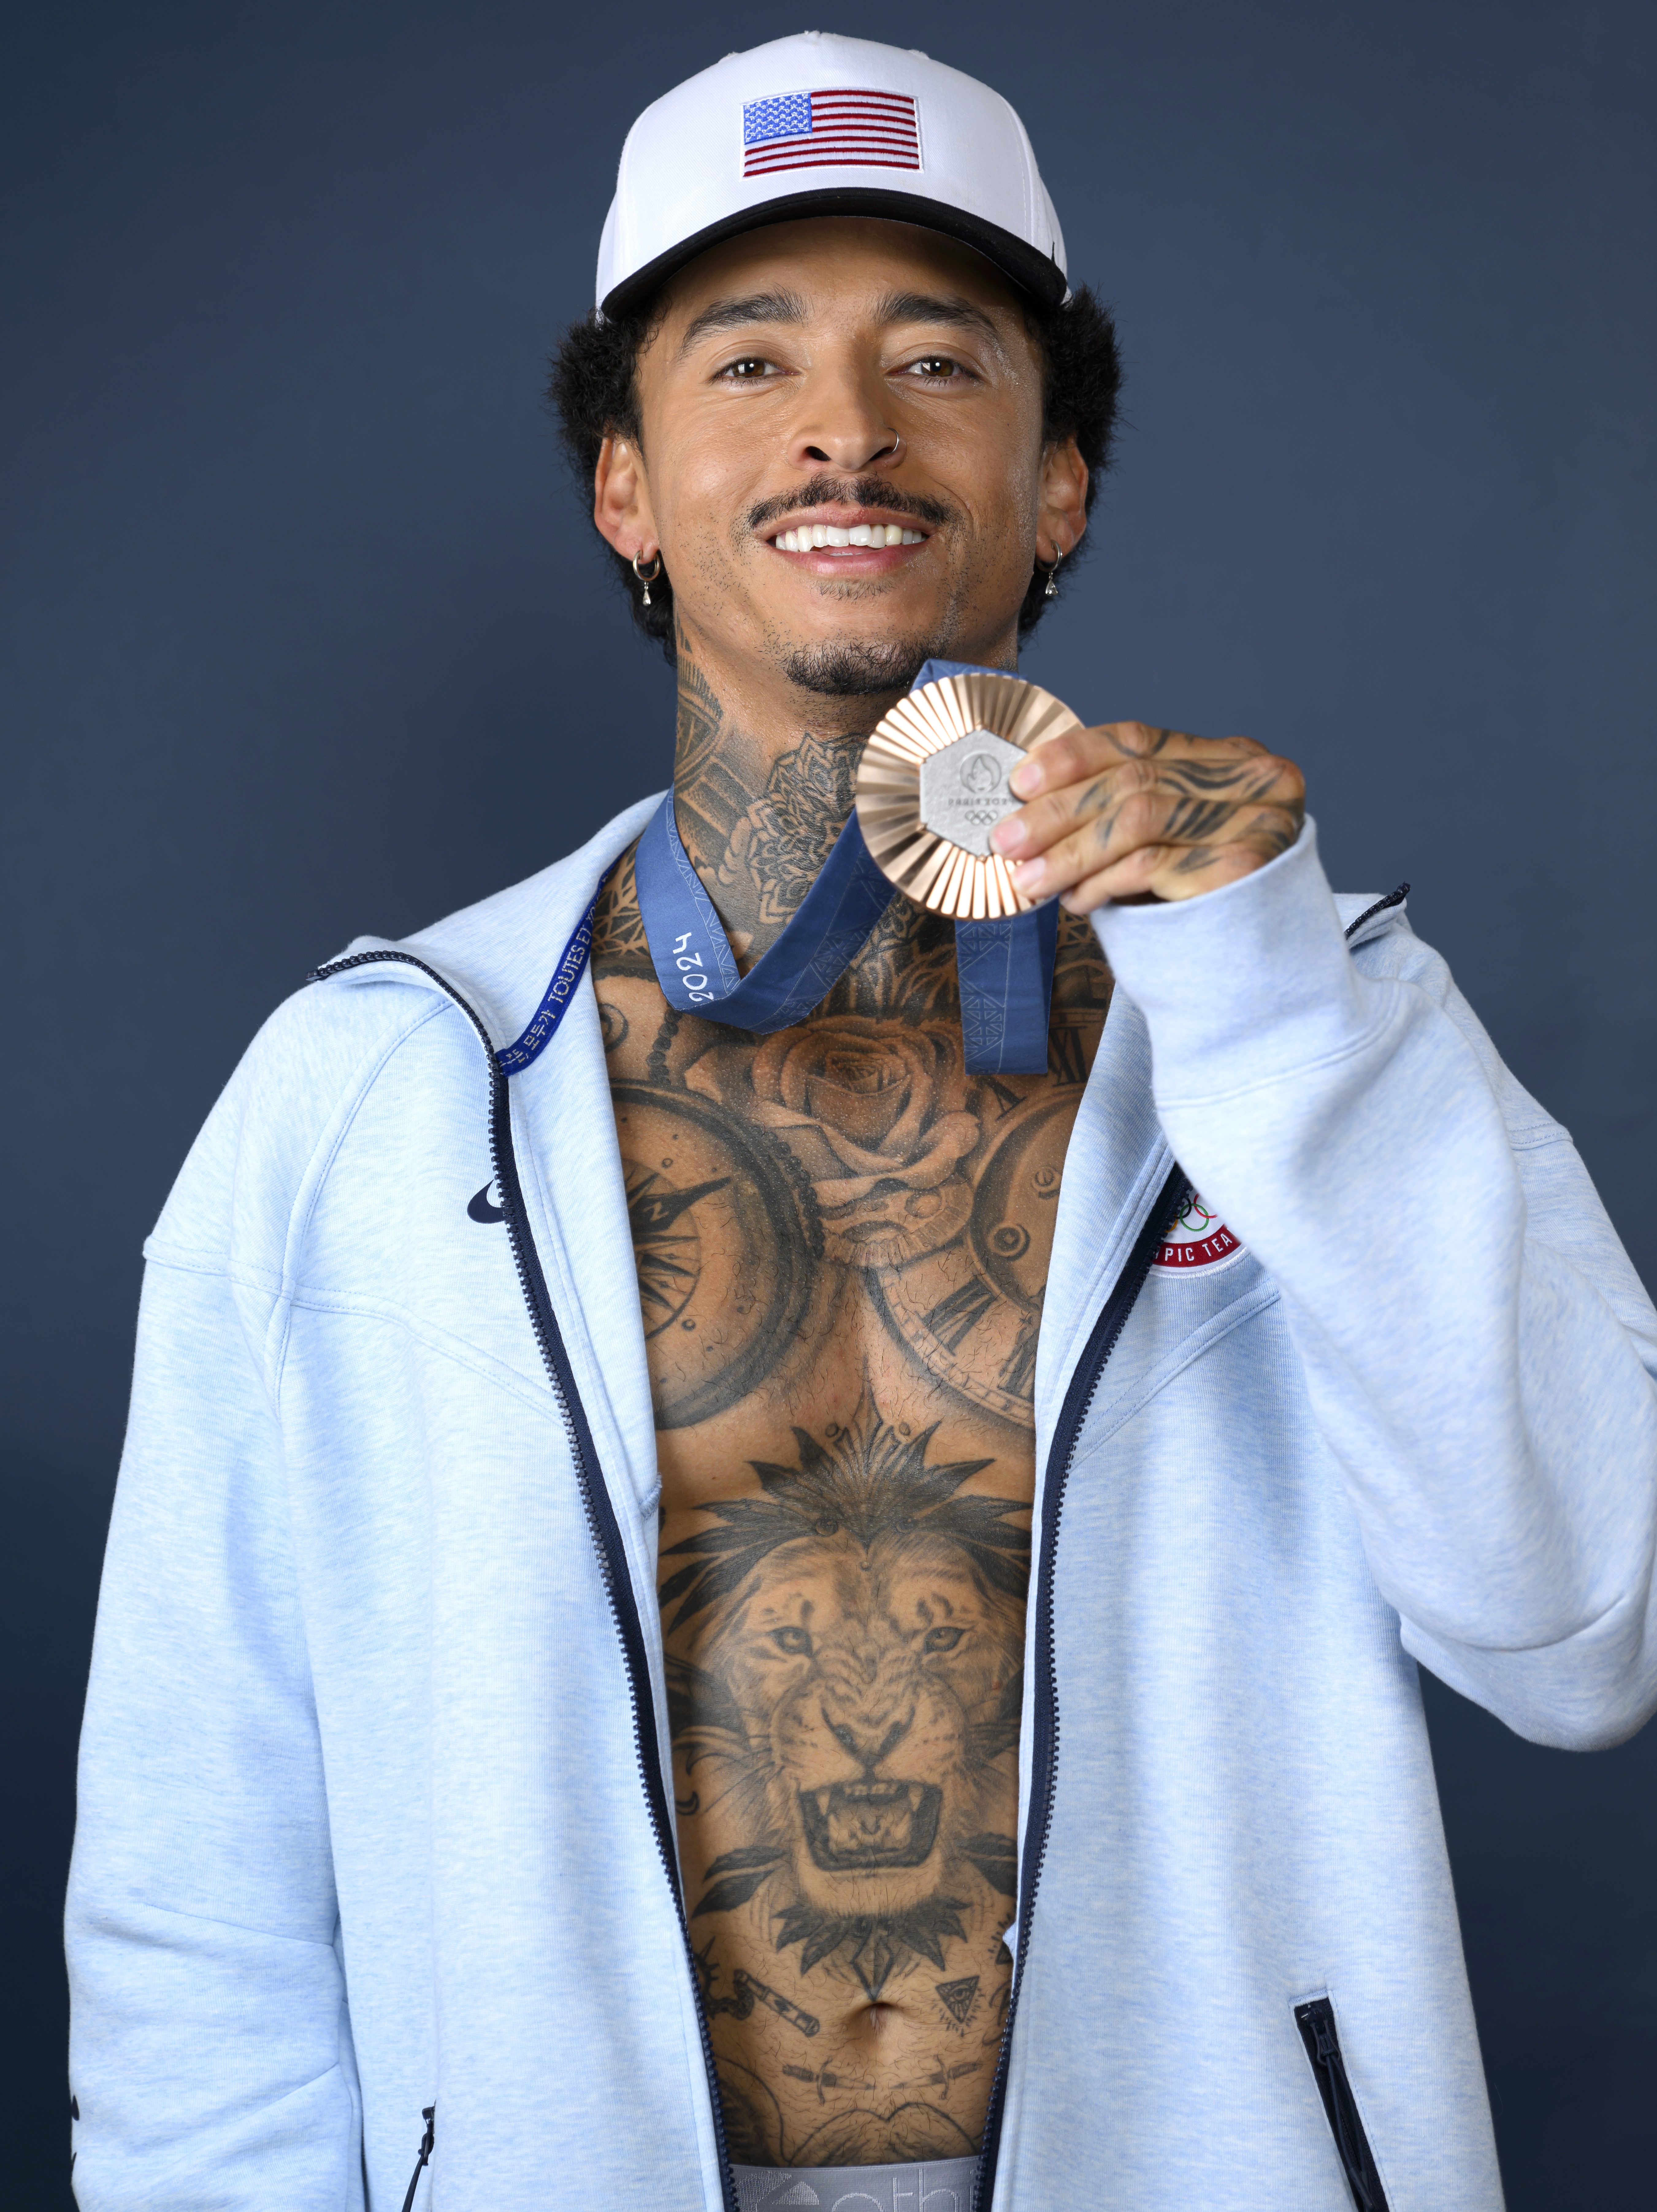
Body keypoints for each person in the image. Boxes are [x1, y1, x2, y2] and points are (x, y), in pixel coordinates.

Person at [65, 31, 1657, 2212]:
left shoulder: (1327, 1017)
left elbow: (1591, 1638)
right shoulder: (374, 1082)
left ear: (1060, 481)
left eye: (941, 359)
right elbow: (196, 1887)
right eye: (746, 365)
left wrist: (1268, 989)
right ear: (624, 485)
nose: (846, 428)